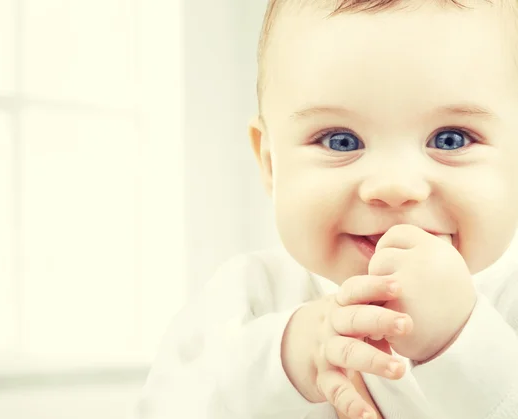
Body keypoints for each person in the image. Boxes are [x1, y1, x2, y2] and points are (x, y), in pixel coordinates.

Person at [132, 1, 518, 418]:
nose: (393, 187)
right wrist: (284, 359)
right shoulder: (248, 300)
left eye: (451, 139)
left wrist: (462, 341)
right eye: (341, 141)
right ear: (270, 164)